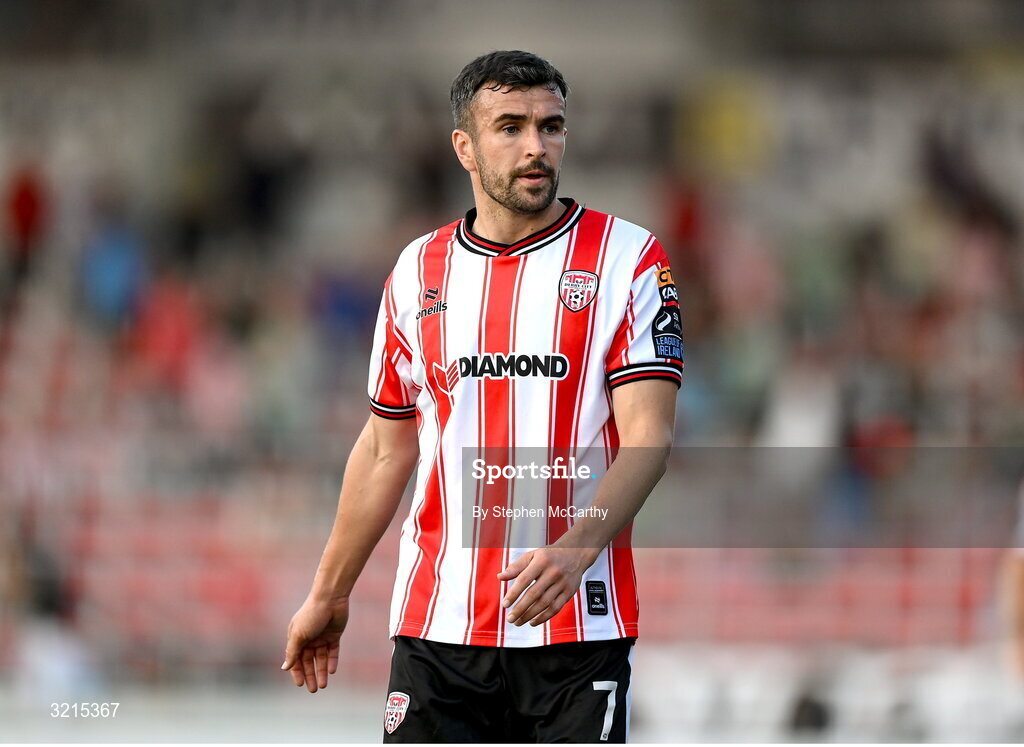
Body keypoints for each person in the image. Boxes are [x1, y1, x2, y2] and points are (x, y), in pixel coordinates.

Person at [282, 50, 683, 743]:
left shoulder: (629, 259)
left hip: (577, 632)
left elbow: (649, 437)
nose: (536, 146)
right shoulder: (417, 271)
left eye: (550, 126)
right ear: (464, 146)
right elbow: (385, 447)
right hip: (439, 632)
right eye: (511, 126)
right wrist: (330, 590)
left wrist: (576, 548)